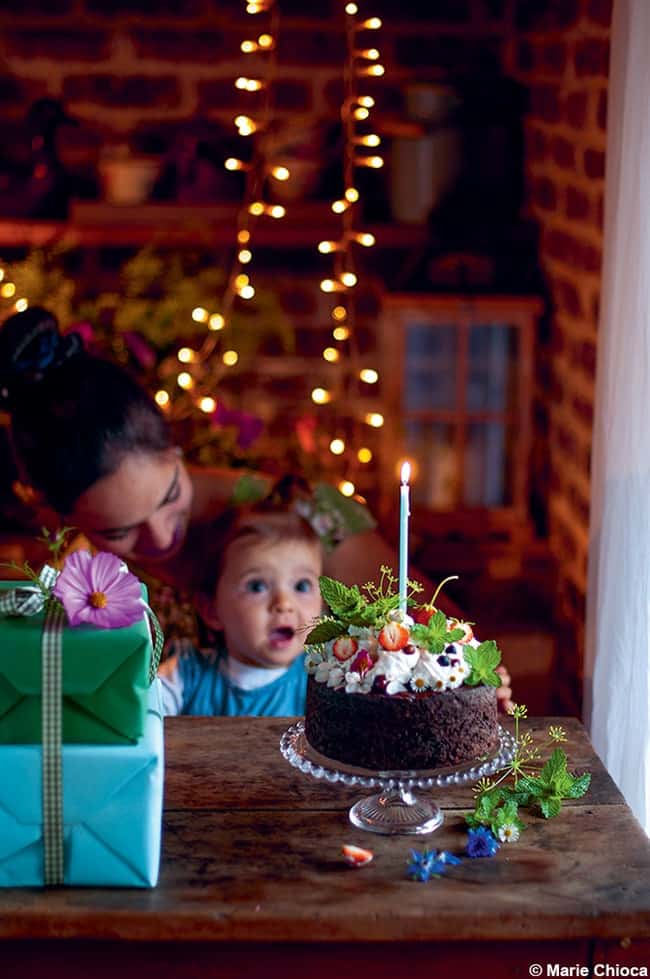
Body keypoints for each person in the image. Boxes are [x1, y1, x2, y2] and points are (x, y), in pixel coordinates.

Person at [0, 305, 512, 706]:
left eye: (170, 495)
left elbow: (447, 643)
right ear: (61, 518)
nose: (161, 539)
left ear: (175, 450)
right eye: (120, 532)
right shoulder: (81, 581)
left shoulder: (306, 516)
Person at [159, 498, 323, 717]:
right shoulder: (185, 675)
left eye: (302, 586)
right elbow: (139, 718)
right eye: (257, 586)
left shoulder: (323, 682)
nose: (284, 604)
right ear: (211, 609)